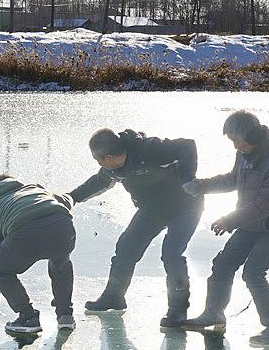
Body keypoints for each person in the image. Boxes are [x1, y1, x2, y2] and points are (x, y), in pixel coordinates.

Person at [182, 111, 269, 346]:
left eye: (238, 141)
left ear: (254, 135)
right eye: (232, 142)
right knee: (223, 263)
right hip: (252, 218)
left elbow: (268, 203)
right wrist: (201, 186)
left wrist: (231, 220)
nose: (236, 146)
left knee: (254, 272)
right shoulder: (245, 152)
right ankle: (213, 314)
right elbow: (233, 179)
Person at [68, 128, 203, 329]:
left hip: (185, 207)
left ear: (108, 157)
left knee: (171, 254)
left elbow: (187, 145)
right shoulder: (112, 168)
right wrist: (70, 198)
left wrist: (187, 179)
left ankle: (177, 312)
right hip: (152, 210)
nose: (99, 165)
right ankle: (113, 297)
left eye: (98, 160)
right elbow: (98, 183)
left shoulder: (149, 149)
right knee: (126, 248)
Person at [0, 174, 77, 333]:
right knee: (61, 265)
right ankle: (65, 316)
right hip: (63, 226)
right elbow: (64, 199)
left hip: (27, 231)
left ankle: (28, 317)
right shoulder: (34, 189)